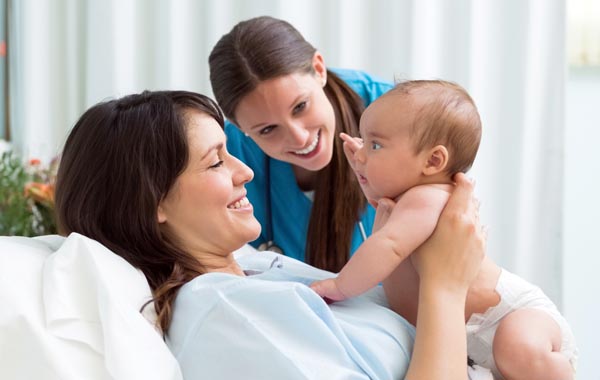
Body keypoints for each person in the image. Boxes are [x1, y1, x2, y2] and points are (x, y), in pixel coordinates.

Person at [54, 90, 486, 379]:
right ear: (154, 203)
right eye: (215, 162)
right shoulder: (230, 316)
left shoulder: (254, 268)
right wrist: (445, 288)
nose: (246, 171)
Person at [310, 80, 578, 380]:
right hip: (471, 343)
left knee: (518, 349)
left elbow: (389, 246)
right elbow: (379, 200)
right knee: (511, 358)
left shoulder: (428, 198)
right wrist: (366, 165)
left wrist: (339, 286)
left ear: (433, 161)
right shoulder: (404, 201)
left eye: (375, 145)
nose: (360, 155)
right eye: (363, 141)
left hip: (509, 315)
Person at [208, 15, 393, 272]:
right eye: (268, 129)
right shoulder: (230, 156)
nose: (299, 138)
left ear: (319, 69)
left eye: (300, 106)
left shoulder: (393, 110)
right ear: (240, 127)